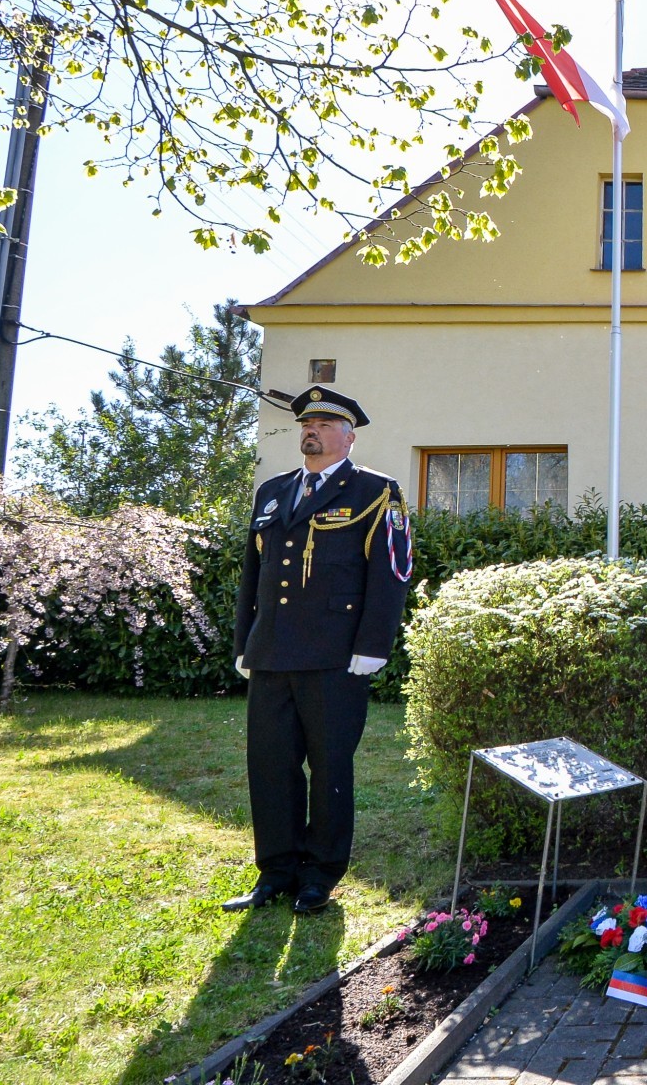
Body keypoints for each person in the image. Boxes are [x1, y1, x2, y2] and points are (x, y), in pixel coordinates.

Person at [224, 387, 413, 914]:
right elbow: (253, 574)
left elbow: (391, 573)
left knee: (330, 767)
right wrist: (246, 642)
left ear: (348, 437)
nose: (313, 431)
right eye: (308, 424)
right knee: (270, 765)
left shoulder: (376, 490)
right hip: (272, 653)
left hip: (335, 656)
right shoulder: (273, 491)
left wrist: (373, 645)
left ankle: (319, 875)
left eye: (326, 425)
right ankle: (276, 872)